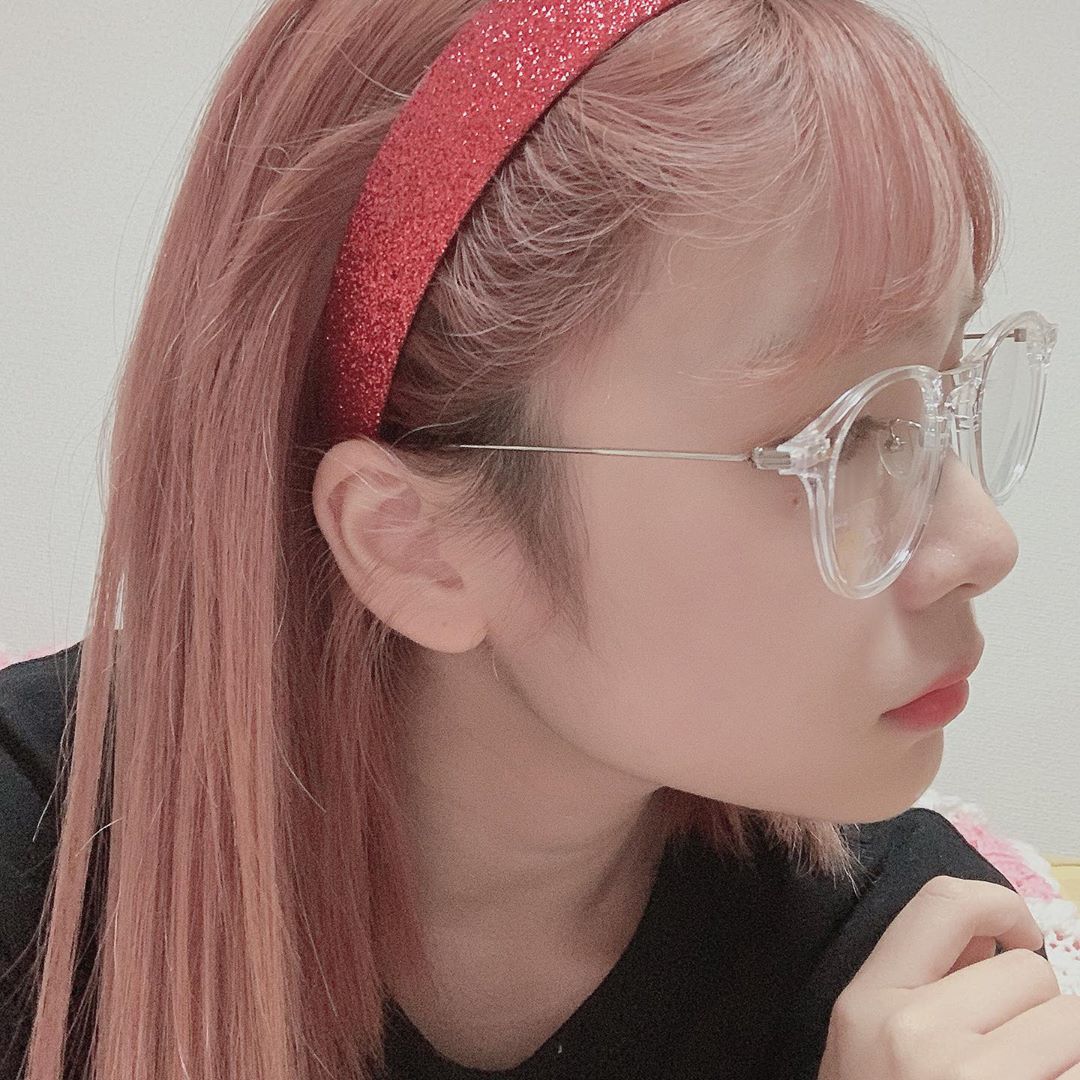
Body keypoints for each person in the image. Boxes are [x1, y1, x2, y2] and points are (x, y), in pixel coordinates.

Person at [0, 1, 1068, 1078]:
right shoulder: (33, 852)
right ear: (416, 545)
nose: (982, 543)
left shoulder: (909, 977)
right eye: (847, 437)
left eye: (945, 388)